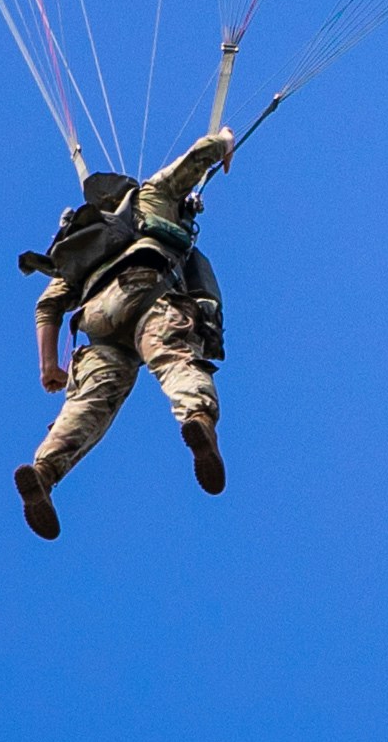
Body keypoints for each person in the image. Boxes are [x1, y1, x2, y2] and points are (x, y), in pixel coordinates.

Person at [13, 126, 235, 538]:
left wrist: (49, 366)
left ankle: (44, 471)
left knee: (89, 404)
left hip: (98, 321)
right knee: (175, 360)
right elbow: (193, 160)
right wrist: (223, 140)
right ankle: (198, 418)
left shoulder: (80, 247)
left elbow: (47, 307)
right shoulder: (150, 196)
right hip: (147, 289)